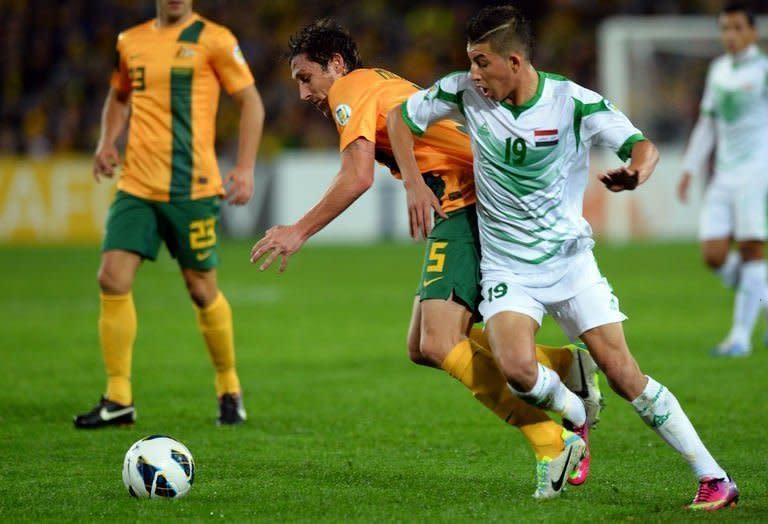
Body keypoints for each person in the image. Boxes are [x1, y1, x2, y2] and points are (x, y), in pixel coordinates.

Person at [389, 4, 738, 511]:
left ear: (514, 61)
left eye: (482, 62)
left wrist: (638, 172)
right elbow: (400, 119)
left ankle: (713, 477)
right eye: (469, 61)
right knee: (516, 369)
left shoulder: (573, 103)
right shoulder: (462, 93)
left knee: (623, 375)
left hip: (570, 264)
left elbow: (643, 147)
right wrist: (415, 185)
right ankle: (576, 415)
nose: (473, 73)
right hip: (509, 268)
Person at [250, 19, 601, 500]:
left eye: (306, 77)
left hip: (468, 202)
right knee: (421, 344)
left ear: (335, 65)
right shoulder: (380, 80)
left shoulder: (349, 89)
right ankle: (564, 367)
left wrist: (297, 231)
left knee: (439, 342)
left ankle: (550, 441)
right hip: (471, 199)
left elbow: (356, 177)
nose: (304, 92)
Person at [73, 0, 265, 428]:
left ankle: (228, 386)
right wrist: (107, 141)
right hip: (137, 185)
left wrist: (245, 167)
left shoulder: (215, 39)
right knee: (111, 277)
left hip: (191, 188)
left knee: (201, 290)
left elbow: (252, 103)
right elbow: (119, 96)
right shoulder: (131, 40)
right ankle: (118, 396)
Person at [677, 2, 768, 358]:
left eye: (736, 28)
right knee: (713, 254)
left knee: (751, 251)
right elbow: (708, 124)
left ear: (752, 32)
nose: (729, 35)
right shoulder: (718, 70)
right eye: (724, 28)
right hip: (723, 172)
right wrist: (689, 168)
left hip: (755, 172)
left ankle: (740, 337)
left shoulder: (763, 70)